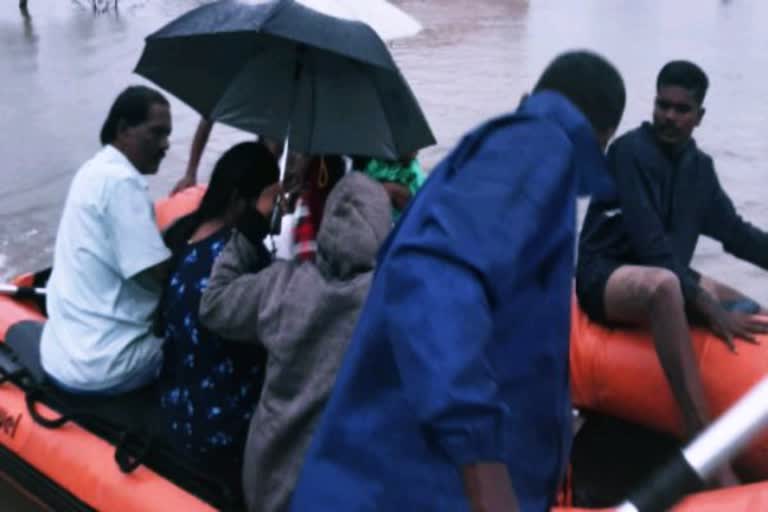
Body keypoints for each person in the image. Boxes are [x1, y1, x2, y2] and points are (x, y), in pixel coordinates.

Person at [290, 50, 626, 512]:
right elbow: (432, 278)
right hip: (415, 491)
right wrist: (485, 473)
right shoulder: (539, 143)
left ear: (527, 96)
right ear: (603, 137)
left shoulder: (496, 157)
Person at [576, 61, 768, 454]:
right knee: (666, 285)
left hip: (670, 273)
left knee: (748, 306)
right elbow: (651, 249)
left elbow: (736, 234)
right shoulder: (628, 153)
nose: (669, 116)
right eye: (663, 105)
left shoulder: (700, 169)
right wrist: (707, 305)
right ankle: (700, 436)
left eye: (682, 110)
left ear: (700, 116)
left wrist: (716, 300)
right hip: (609, 276)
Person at [199, 172, 392, 512]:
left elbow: (213, 304)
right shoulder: (390, 304)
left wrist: (251, 227)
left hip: (264, 484)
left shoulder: (282, 285)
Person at [40, 85, 172, 394]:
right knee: (201, 338)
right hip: (104, 366)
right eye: (157, 133)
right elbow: (158, 275)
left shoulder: (93, 170)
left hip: (60, 355)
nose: (166, 145)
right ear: (124, 129)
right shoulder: (122, 183)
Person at [157, 141, 279, 468]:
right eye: (270, 201)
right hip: (221, 428)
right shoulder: (238, 257)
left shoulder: (187, 232)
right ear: (242, 201)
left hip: (177, 409)